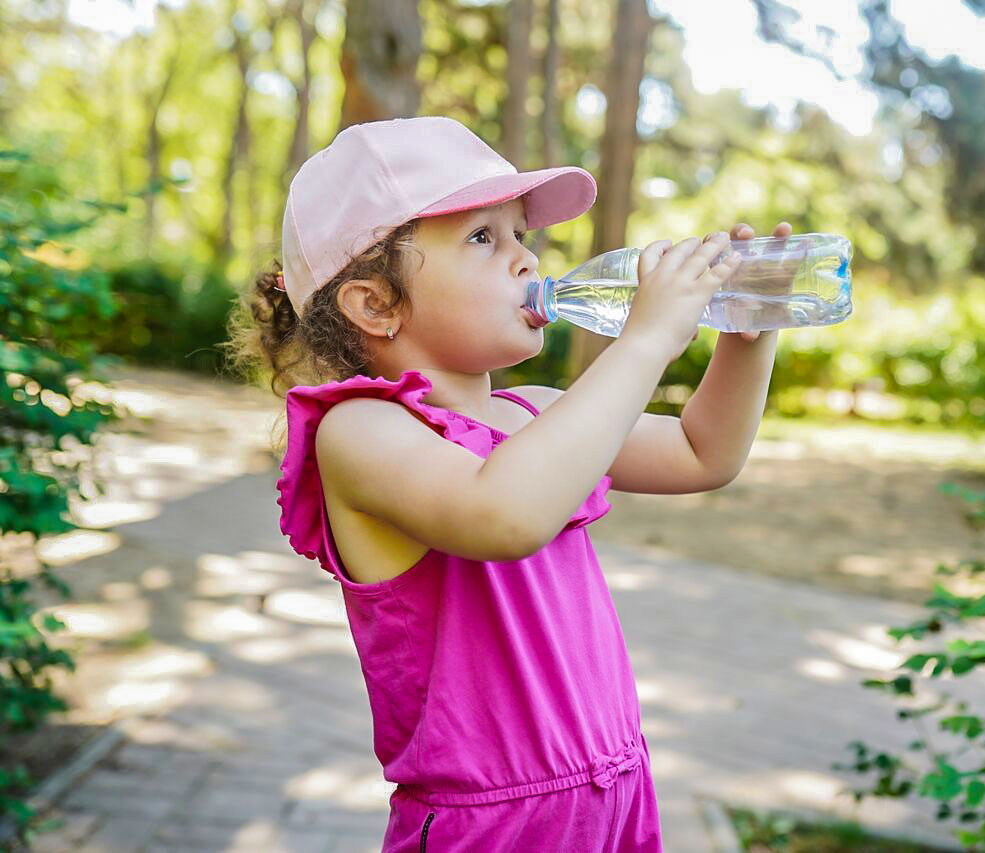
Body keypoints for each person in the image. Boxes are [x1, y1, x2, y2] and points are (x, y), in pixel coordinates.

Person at [227, 115, 786, 852]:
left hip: (615, 796)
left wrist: (750, 331)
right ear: (376, 304)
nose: (526, 259)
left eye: (521, 233)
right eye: (483, 238)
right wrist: (647, 338)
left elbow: (700, 450)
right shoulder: (359, 431)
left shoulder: (539, 412)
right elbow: (503, 512)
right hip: (491, 824)